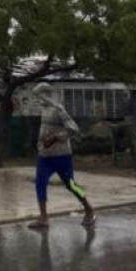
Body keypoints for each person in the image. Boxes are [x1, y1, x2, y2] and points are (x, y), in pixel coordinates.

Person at [28, 82, 96, 229]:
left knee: (71, 185)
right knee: (40, 183)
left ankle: (89, 209)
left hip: (61, 156)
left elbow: (74, 129)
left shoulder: (58, 109)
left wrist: (55, 138)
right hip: (45, 156)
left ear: (46, 95)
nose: (38, 99)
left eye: (39, 95)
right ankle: (44, 218)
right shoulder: (44, 109)